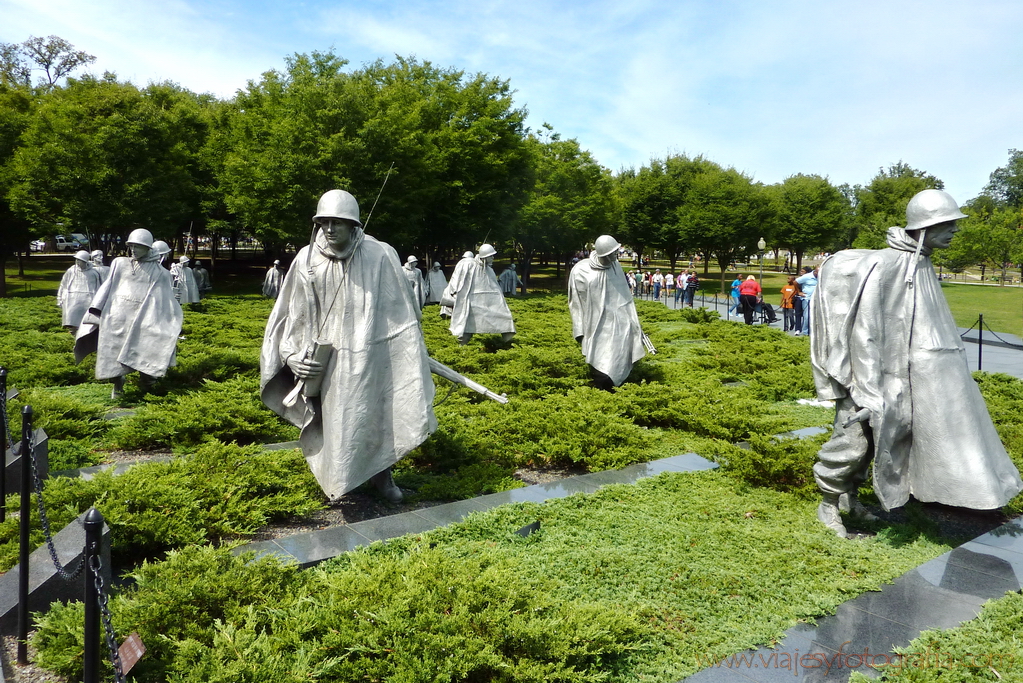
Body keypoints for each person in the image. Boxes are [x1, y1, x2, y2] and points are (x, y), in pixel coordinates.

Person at [811, 189, 1023, 538]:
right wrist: (867, 389)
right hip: (870, 380)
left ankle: (850, 499)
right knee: (853, 442)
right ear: (926, 227)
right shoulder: (891, 264)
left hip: (906, 379)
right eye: (947, 223)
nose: (955, 230)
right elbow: (865, 330)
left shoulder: (920, 262)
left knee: (882, 443)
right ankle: (828, 505)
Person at [260, 189, 436, 504]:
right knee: (332, 419)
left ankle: (383, 475)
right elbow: (290, 315)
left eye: (338, 222)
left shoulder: (380, 254)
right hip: (325, 361)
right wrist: (291, 355)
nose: (330, 228)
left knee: (377, 416)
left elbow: (403, 312)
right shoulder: (306, 258)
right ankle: (335, 478)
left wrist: (406, 352)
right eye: (324, 221)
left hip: (371, 355)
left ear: (354, 224)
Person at [74, 229, 183, 398]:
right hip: (116, 317)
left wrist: (169, 321)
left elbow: (164, 301)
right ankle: (117, 386)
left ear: (148, 247)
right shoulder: (120, 263)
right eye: (131, 246)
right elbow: (108, 286)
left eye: (138, 246)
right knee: (112, 355)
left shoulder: (161, 273)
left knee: (144, 349)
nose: (133, 250)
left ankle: (147, 383)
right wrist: (95, 310)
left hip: (142, 318)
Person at [568, 235, 647, 391]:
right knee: (601, 360)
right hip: (596, 323)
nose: (614, 256)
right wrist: (580, 329)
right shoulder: (581, 271)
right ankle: (603, 387)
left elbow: (625, 296)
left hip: (620, 322)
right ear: (602, 253)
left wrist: (633, 321)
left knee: (620, 356)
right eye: (610, 254)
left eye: (615, 252)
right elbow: (576, 303)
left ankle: (616, 386)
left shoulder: (615, 266)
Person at [440, 244, 515, 345]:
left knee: (504, 317)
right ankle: (462, 347)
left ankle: (507, 344)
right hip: (471, 302)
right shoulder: (469, 264)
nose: (493, 258)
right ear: (485, 256)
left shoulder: (490, 270)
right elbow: (457, 278)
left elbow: (496, 288)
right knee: (466, 325)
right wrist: (453, 293)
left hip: (487, 302)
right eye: (491, 256)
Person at [57, 250, 103, 331]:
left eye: (80, 261)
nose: (77, 262)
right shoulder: (71, 271)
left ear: (85, 261)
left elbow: (98, 289)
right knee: (73, 325)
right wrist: (59, 298)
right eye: (77, 260)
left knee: (87, 325)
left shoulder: (93, 273)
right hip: (72, 301)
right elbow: (63, 285)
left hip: (88, 301)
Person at [796, 265, 818, 335]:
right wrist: (799, 292)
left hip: (817, 299)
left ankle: (813, 331)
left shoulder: (821, 277)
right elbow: (795, 282)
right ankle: (806, 332)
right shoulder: (807, 276)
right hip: (807, 299)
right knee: (807, 315)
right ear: (815, 271)